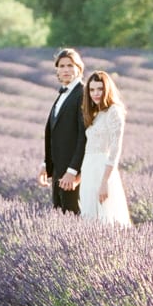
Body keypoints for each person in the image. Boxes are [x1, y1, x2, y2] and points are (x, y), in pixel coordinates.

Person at [79, 70, 131, 226]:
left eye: (100, 89)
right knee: (89, 217)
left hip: (102, 170)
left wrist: (105, 181)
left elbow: (115, 149)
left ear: (107, 89)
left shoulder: (114, 111)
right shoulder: (96, 114)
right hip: (88, 169)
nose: (96, 93)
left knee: (106, 217)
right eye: (92, 90)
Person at [38, 48, 86, 214]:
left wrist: (73, 171)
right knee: (61, 216)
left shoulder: (82, 93)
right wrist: (47, 164)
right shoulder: (63, 94)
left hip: (71, 173)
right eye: (62, 66)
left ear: (79, 68)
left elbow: (83, 136)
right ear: (57, 70)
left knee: (73, 216)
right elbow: (55, 134)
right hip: (59, 169)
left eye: (70, 65)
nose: (66, 70)